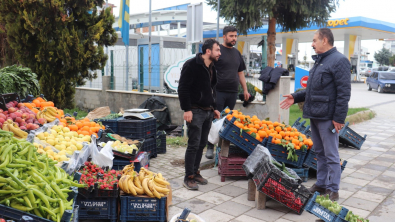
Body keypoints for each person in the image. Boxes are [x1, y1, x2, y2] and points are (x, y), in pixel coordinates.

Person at [280, 28, 351, 201]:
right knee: (319, 152)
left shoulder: (339, 60)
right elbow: (312, 90)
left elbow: (344, 92)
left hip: (328, 117)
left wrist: (339, 118)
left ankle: (333, 190)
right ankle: (321, 184)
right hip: (315, 115)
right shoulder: (320, 61)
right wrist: (295, 97)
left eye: (314, 40)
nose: (312, 44)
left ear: (324, 40)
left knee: (331, 154)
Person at [178, 39, 221, 190]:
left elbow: (212, 89)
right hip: (195, 111)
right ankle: (188, 177)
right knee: (193, 144)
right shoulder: (192, 65)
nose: (219, 53)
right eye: (217, 50)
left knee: (202, 144)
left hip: (207, 111)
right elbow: (183, 88)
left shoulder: (211, 67)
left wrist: (214, 107)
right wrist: (187, 109)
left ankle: (196, 172)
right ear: (208, 51)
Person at [205, 26, 250, 159]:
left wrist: (245, 90)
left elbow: (240, 73)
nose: (234, 38)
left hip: (232, 92)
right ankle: (209, 146)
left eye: (235, 36)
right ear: (224, 37)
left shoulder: (237, 53)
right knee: (215, 118)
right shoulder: (217, 51)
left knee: (227, 120)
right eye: (231, 36)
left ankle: (221, 148)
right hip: (218, 91)